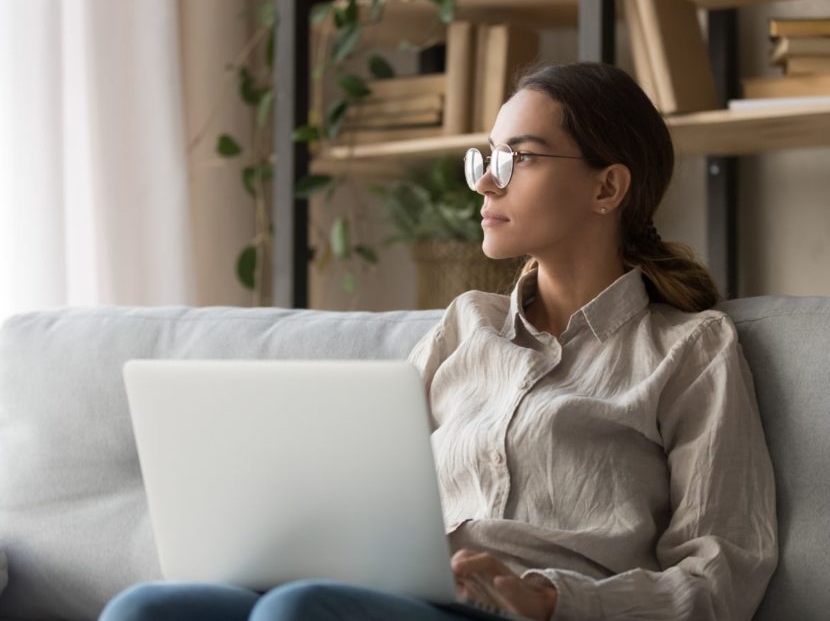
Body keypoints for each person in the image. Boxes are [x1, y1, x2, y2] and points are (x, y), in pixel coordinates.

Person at [99, 61, 777, 621]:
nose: (486, 179)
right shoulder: (464, 326)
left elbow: (722, 576)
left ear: (608, 186)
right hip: (406, 593)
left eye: (521, 158)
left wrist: (546, 596)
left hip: (528, 614)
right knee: (147, 607)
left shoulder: (690, 348)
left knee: (299, 610)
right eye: (487, 156)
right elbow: (360, 491)